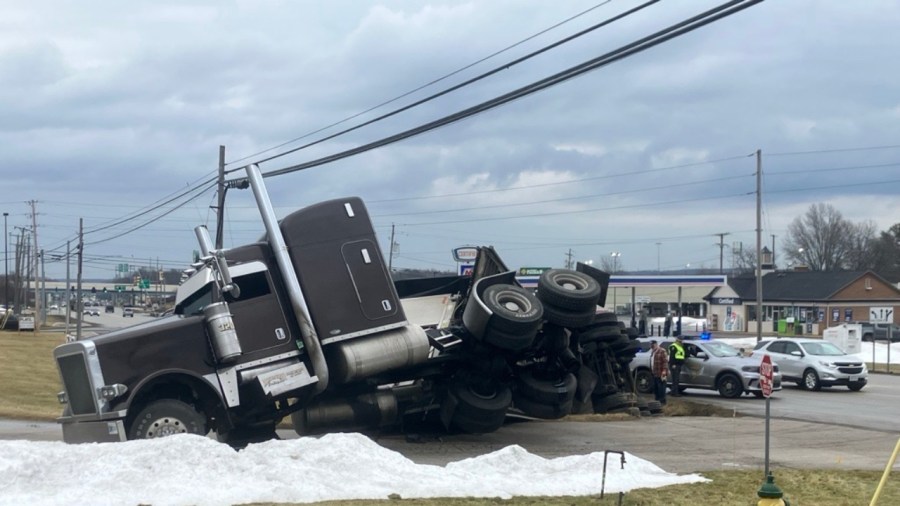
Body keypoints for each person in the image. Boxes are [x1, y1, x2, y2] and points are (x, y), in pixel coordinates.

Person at [649, 340, 669, 404]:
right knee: (656, 388)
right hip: (655, 372)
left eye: (653, 345)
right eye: (651, 345)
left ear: (656, 344)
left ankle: (662, 401)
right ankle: (657, 400)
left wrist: (664, 370)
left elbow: (665, 361)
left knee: (661, 388)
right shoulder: (653, 352)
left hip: (661, 373)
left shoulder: (662, 351)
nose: (651, 346)